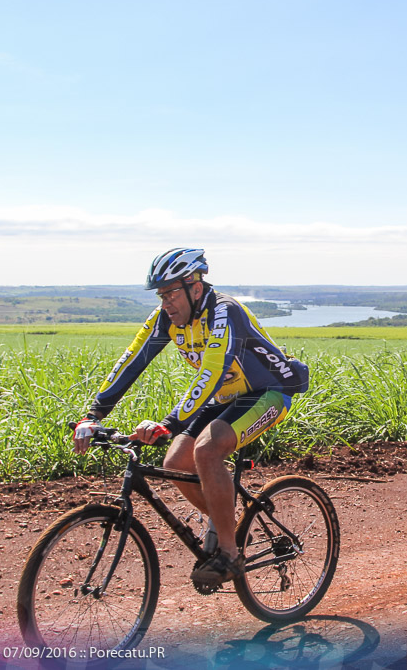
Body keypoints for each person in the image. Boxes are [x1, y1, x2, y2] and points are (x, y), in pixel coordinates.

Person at [72, 247, 309, 587]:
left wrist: (168, 424)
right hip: (227, 397)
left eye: (171, 293)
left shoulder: (226, 311)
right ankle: (229, 522)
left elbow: (211, 373)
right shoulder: (165, 318)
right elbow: (132, 360)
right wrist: (93, 414)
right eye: (161, 294)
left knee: (207, 451)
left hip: (270, 391)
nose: (165, 302)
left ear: (195, 288)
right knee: (175, 463)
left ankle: (229, 554)